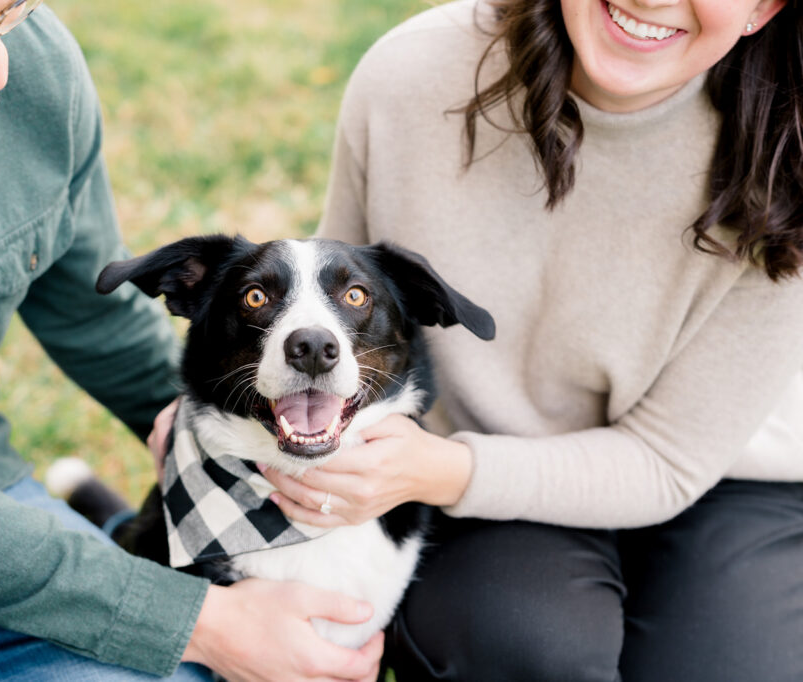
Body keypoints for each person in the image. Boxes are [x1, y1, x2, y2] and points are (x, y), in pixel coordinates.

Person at [0, 0, 385, 680]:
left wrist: (207, 427)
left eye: (3, 17)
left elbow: (92, 317)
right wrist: (205, 623)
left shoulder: (29, 63)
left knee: (166, 670)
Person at [258, 0, 803, 679]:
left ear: (764, 8)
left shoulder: (790, 149)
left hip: (725, 474)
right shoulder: (413, 73)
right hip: (477, 458)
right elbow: (339, 307)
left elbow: (667, 461)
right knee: (521, 645)